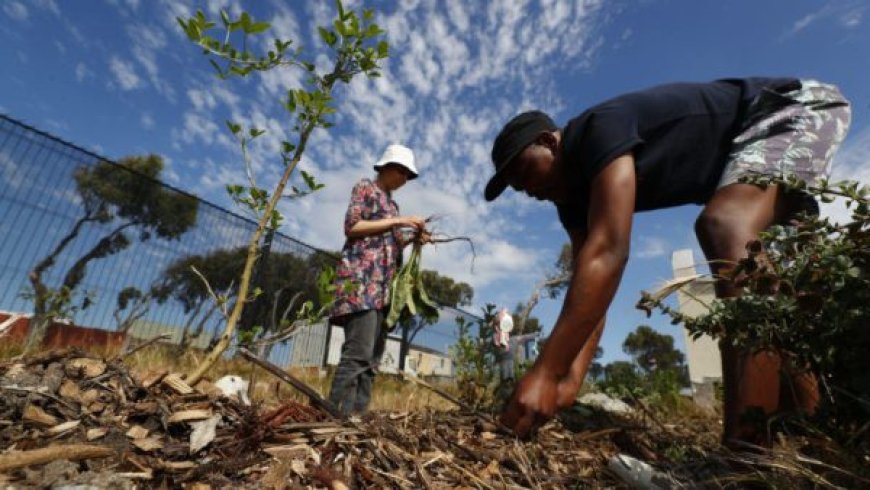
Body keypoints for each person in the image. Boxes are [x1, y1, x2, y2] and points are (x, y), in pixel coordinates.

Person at [485, 77, 851, 446]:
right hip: (756, 145)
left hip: (789, 106)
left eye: (526, 173)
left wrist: (546, 373)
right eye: (518, 188)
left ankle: (745, 453)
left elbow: (609, 252)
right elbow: (589, 285)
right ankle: (813, 435)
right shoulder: (571, 202)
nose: (528, 190)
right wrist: (569, 380)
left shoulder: (597, 129)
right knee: (774, 283)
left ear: (549, 141)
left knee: (726, 226)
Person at [327, 144, 430, 416]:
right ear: (386, 167)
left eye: (409, 175)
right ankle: (335, 417)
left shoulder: (393, 205)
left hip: (383, 293)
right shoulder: (365, 188)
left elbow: (391, 246)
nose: (405, 179)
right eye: (403, 172)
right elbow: (353, 226)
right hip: (361, 285)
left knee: (372, 360)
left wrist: (413, 239)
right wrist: (400, 221)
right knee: (357, 355)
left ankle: (356, 417)